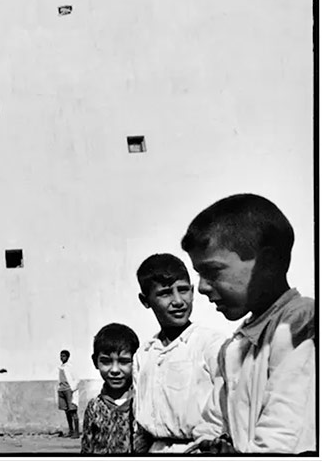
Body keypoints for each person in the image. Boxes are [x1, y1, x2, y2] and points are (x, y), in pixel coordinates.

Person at [181, 194, 315, 454]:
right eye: (199, 274)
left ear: (267, 263)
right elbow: (213, 422)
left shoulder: (300, 324)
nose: (202, 287)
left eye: (213, 271)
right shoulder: (235, 346)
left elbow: (283, 440)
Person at [132, 253, 225, 453]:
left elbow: (229, 410)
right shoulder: (144, 354)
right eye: (165, 293)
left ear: (192, 291)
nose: (178, 301)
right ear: (145, 300)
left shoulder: (211, 345)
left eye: (183, 290)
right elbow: (141, 425)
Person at [81, 323, 147, 454]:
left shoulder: (142, 403)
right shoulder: (94, 408)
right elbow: (87, 449)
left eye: (124, 361)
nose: (115, 370)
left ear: (136, 362)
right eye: (106, 361)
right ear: (95, 362)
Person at [56, 349, 80, 439]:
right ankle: (71, 430)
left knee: (73, 410)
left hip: (69, 390)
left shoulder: (70, 367)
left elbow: (77, 379)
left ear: (67, 357)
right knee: (67, 411)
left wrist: (72, 388)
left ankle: (77, 432)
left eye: (64, 356)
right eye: (61, 356)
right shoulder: (60, 367)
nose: (62, 358)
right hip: (61, 390)